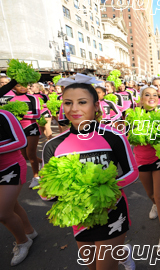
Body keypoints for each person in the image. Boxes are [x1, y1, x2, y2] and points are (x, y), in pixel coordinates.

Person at [42, 78, 138, 270]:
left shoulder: (114, 137)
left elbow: (132, 172)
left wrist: (99, 191)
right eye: (68, 103)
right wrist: (58, 194)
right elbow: (47, 191)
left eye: (82, 102)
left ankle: (120, 253)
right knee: (91, 266)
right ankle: (123, 254)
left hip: (112, 211)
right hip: (79, 218)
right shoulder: (53, 146)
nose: (74, 108)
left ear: (95, 106)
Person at [0, 82, 38, 266]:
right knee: (11, 206)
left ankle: (23, 241)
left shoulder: (4, 115)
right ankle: (29, 231)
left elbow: (20, 140)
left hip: (10, 167)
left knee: (2, 212)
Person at [133, 85, 160, 254]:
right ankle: (153, 204)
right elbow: (129, 137)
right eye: (147, 95)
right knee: (151, 194)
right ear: (141, 99)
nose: (151, 97)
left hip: (159, 159)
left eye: (154, 95)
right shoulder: (132, 116)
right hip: (142, 160)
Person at [6, 84, 41, 189]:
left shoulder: (32, 98)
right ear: (13, 87)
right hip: (18, 130)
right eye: (18, 86)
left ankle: (36, 177)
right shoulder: (11, 99)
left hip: (31, 127)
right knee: (25, 156)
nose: (22, 87)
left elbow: (37, 115)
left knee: (30, 154)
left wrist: (22, 114)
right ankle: (43, 161)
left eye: (24, 85)